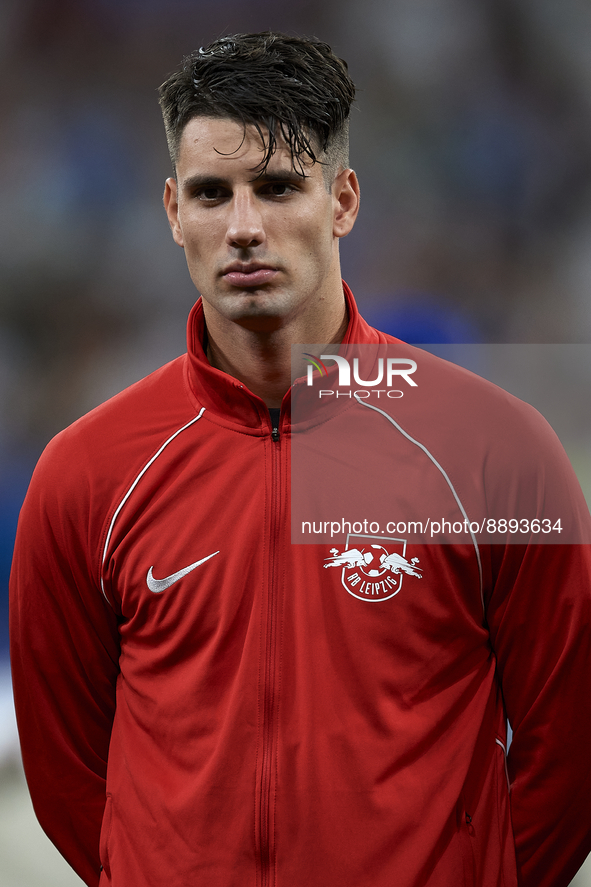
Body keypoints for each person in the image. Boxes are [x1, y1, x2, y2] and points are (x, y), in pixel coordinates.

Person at [9, 31, 591, 887]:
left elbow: (569, 747)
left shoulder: (494, 452)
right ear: (173, 212)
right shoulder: (85, 474)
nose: (243, 227)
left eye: (277, 187)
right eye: (212, 194)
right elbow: (67, 770)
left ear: (343, 200)